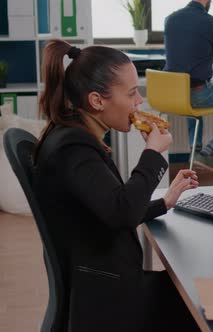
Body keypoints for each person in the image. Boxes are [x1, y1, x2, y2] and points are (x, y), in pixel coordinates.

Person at [33, 39, 201, 332]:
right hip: (109, 297)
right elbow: (122, 212)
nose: (139, 103)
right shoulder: (74, 148)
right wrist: (152, 153)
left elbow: (109, 206)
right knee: (197, 300)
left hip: (101, 284)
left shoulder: (72, 133)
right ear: (97, 100)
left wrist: (165, 202)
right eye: (133, 93)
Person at [164, 0, 213, 171]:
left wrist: (205, 68)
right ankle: (208, 152)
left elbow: (182, 59)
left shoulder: (170, 19)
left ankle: (194, 150)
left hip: (173, 93)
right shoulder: (211, 23)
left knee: (193, 105)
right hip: (197, 93)